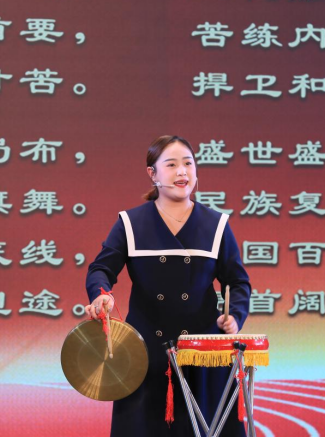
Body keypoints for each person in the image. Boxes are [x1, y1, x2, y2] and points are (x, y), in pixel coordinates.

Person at [85, 135, 252, 437]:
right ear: (153, 174)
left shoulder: (216, 225)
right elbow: (101, 269)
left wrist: (235, 316)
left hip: (202, 352)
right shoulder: (130, 223)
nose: (182, 172)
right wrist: (101, 295)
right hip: (145, 353)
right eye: (171, 164)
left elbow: (238, 282)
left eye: (188, 163)